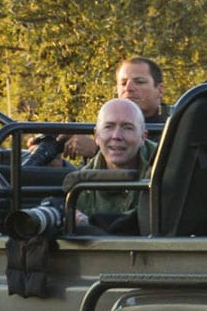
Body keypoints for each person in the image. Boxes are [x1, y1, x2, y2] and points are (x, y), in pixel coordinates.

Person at [32, 55, 167, 163]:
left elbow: (160, 170)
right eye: (123, 83)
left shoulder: (172, 128)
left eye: (139, 82)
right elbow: (88, 179)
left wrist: (97, 150)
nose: (129, 88)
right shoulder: (104, 123)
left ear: (159, 90)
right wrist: (58, 163)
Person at [64, 98, 152, 235]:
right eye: (109, 127)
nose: (116, 136)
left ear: (143, 137)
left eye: (127, 127)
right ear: (96, 136)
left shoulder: (163, 165)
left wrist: (93, 224)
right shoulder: (81, 184)